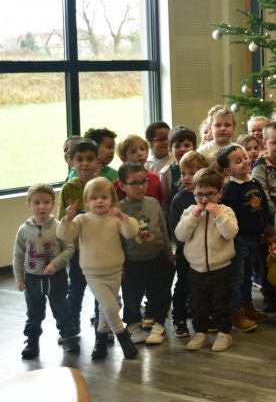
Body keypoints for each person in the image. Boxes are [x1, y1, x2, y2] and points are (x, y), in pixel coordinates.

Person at [57, 177, 140, 360]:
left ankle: (100, 344)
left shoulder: (115, 218)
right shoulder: (82, 220)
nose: (99, 201)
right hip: (93, 274)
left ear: (112, 200)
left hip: (115, 271)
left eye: (104, 197)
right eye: (94, 198)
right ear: (86, 202)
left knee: (104, 309)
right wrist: (67, 218)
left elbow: (131, 231)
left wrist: (123, 217)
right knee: (110, 306)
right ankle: (125, 341)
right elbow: (64, 235)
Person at [175, 168, 239, 352]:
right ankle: (200, 333)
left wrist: (217, 214)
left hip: (221, 269)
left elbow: (230, 233)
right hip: (196, 269)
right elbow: (180, 235)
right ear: (193, 193)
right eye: (199, 194)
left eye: (210, 194)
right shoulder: (189, 212)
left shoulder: (226, 211)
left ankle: (224, 334)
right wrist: (193, 216)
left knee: (221, 304)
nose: (204, 199)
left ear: (220, 193)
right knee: (198, 305)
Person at [14, 184, 80, 358]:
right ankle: (32, 342)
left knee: (61, 309)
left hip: (56, 278)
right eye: (37, 203)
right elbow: (18, 255)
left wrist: (56, 264)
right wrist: (19, 278)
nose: (41, 206)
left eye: (46, 202)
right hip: (32, 279)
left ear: (53, 203)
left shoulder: (59, 226)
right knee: (34, 313)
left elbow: (69, 248)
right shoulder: (23, 230)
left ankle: (68, 338)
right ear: (29, 205)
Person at [117, 162, 175, 346]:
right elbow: (117, 241)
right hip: (132, 261)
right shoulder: (119, 210)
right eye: (134, 183)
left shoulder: (153, 203)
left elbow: (163, 229)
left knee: (160, 293)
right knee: (131, 296)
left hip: (157, 257)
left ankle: (159, 324)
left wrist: (168, 251)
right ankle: (133, 325)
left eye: (144, 181)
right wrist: (120, 265)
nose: (141, 186)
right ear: (122, 186)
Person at [217, 144, 270, 332]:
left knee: (248, 275)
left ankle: (248, 307)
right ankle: (237, 312)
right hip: (239, 240)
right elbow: (229, 217)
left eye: (245, 157)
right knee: (237, 277)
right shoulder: (230, 189)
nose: (245, 162)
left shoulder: (254, 183)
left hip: (255, 237)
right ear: (228, 170)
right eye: (238, 161)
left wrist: (264, 228)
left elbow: (263, 207)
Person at [57, 137, 99, 333]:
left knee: (101, 288)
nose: (85, 164)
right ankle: (71, 326)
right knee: (76, 288)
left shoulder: (103, 184)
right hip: (77, 250)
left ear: (97, 161)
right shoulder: (69, 188)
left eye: (90, 159)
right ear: (71, 161)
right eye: (79, 159)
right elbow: (61, 220)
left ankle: (102, 325)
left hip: (100, 248)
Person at [168, 151, 210, 338]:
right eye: (183, 173)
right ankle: (179, 319)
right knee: (183, 285)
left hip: (205, 252)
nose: (186, 178)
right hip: (185, 252)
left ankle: (204, 317)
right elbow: (175, 229)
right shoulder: (179, 199)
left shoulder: (209, 197)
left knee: (203, 286)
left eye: (192, 173)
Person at [252, 121, 276, 315]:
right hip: (268, 222)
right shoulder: (260, 167)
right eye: (274, 142)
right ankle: (269, 297)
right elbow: (263, 195)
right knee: (267, 261)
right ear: (264, 143)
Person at [114, 135, 163, 203]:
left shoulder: (154, 178)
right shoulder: (120, 183)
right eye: (133, 152)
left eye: (142, 149)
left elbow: (160, 202)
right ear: (124, 159)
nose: (140, 154)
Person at [159, 125, 197, 213]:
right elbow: (166, 200)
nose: (182, 149)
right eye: (177, 146)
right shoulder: (166, 172)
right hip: (176, 213)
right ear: (170, 149)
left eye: (187, 145)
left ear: (194, 148)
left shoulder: (201, 168)